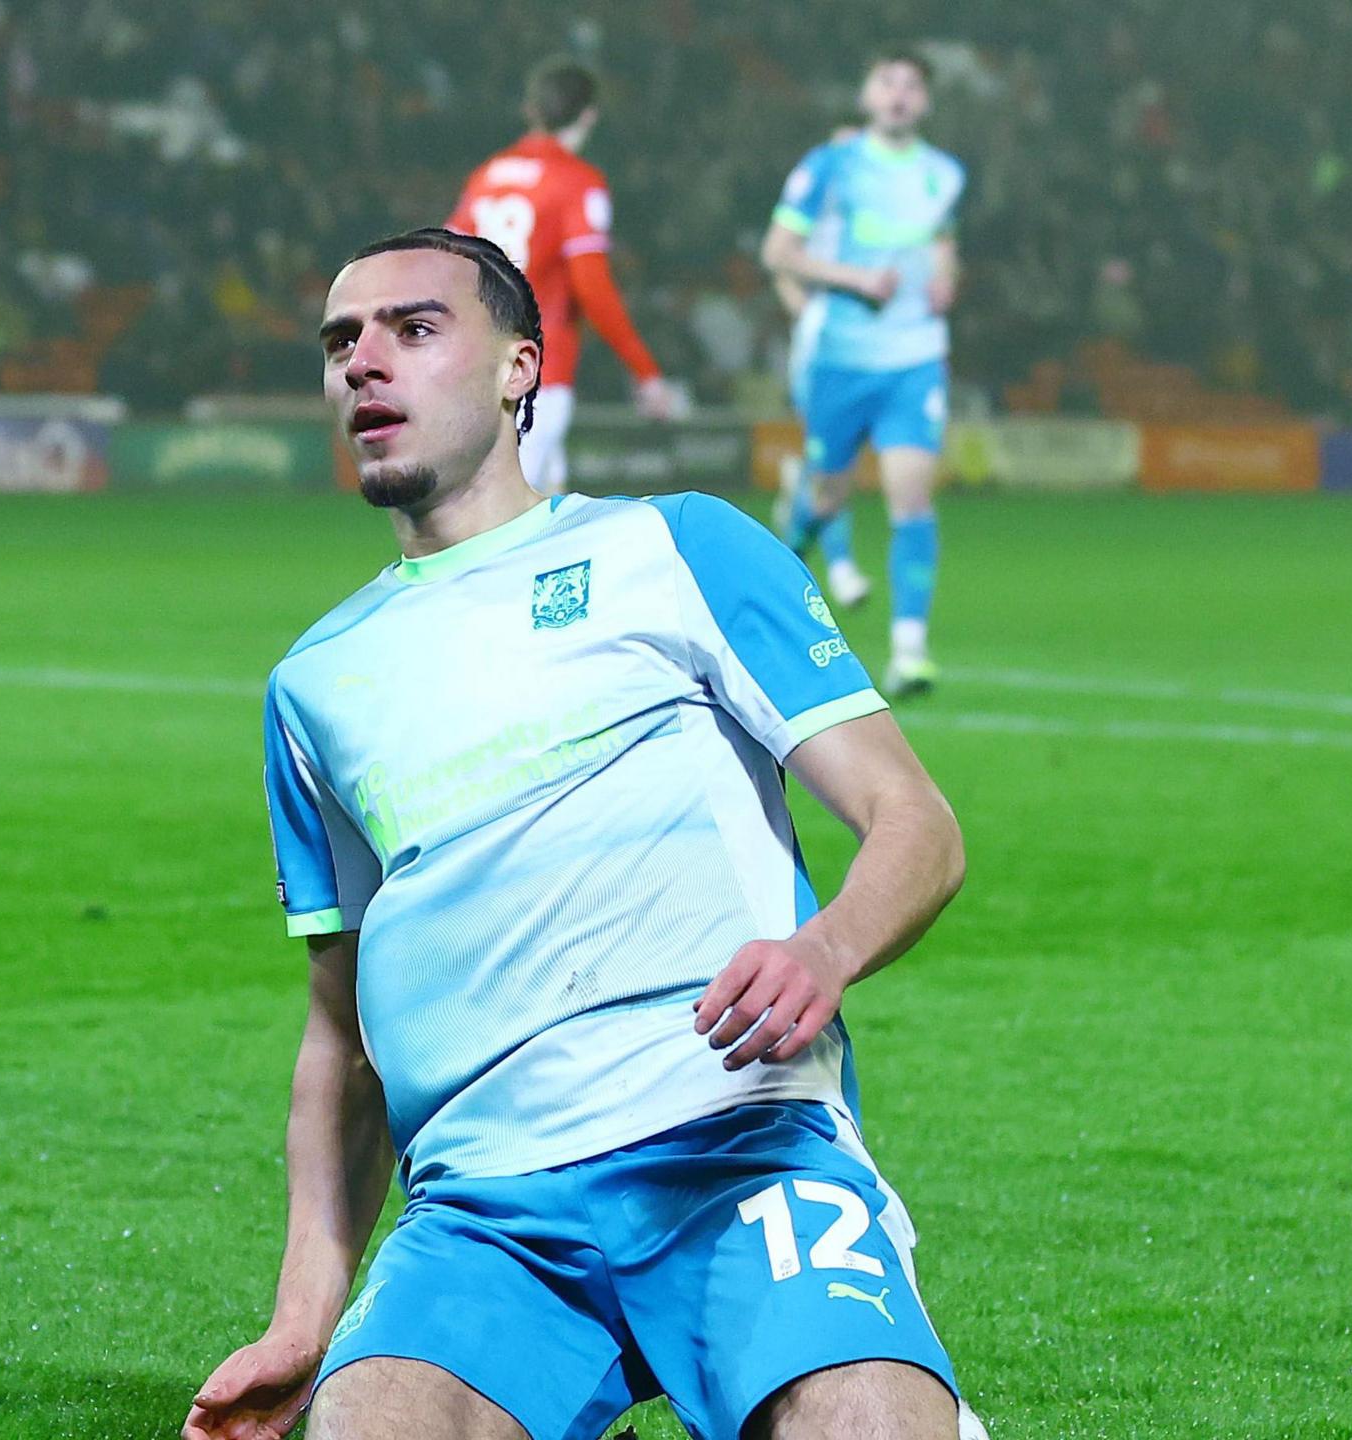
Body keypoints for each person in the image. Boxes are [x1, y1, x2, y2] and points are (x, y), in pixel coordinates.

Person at [185, 228, 986, 1440]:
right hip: (484, 1216)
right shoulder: (314, 684)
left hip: (739, 1146)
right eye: (341, 342)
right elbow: (339, 1040)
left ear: (519, 369)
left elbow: (914, 824)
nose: (363, 364)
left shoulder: (672, 547)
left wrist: (823, 951)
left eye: (413, 329)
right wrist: (303, 1316)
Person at [763, 53, 964, 698]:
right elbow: (779, 251)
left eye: (912, 86)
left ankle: (910, 651)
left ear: (925, 102)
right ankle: (780, 569)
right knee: (826, 499)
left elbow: (943, 247)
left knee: (912, 497)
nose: (899, 95)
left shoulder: (943, 175)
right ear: (866, 93)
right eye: (887, 81)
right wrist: (855, 281)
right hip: (841, 360)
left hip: (914, 357)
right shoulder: (831, 166)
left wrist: (945, 281)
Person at [447, 59, 685, 497]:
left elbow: (446, 257)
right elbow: (593, 289)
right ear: (589, 115)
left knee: (547, 506)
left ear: (530, 110)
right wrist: (645, 371)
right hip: (541, 364)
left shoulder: (487, 176)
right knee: (506, 520)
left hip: (481, 359)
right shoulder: (577, 182)